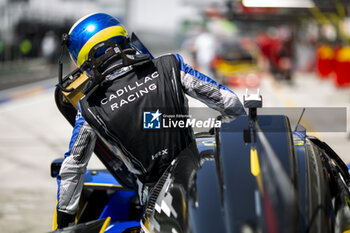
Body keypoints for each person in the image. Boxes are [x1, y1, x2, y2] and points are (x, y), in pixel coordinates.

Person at [55, 12, 246, 229]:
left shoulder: (89, 108)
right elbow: (229, 101)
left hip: (154, 202)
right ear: (121, 38)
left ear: (84, 58)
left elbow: (73, 167)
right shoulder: (171, 66)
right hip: (201, 183)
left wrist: (65, 222)